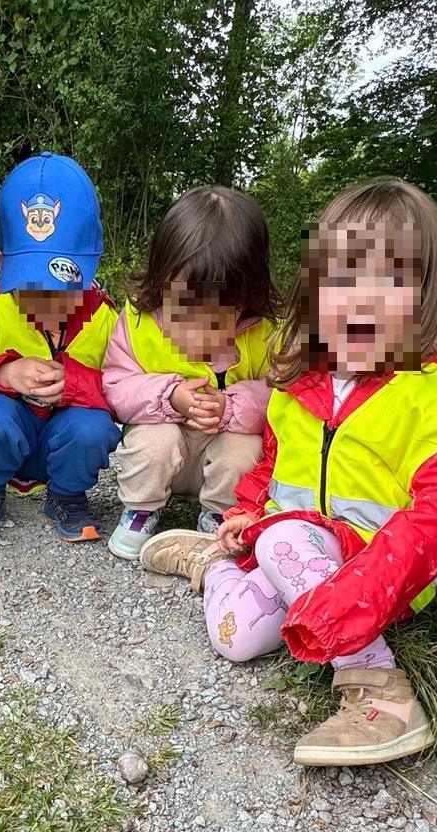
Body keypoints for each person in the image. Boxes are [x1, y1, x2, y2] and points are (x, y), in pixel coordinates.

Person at [139, 178, 437, 767]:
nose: (361, 302)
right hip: (291, 552)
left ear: (424, 297)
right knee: (236, 638)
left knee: (282, 538)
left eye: (390, 283)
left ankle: (378, 690)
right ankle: (214, 561)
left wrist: (350, 592)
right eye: (342, 279)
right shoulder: (299, 386)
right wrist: (248, 511)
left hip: (376, 572)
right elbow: (275, 466)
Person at [0, 152, 120, 543]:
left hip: (65, 439)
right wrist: (1, 373)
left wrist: (73, 383)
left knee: (95, 426)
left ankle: (67, 494)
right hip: (7, 434)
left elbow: (122, 392)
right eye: (33, 287)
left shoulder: (106, 317)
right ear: (1, 264)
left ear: (90, 269)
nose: (50, 302)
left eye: (65, 288)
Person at [102, 186, 281, 561]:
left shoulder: (266, 334)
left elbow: (283, 395)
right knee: (151, 440)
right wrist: (169, 396)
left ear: (247, 300)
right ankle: (141, 509)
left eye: (215, 320)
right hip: (168, 447)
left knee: (245, 448)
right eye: (181, 313)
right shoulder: (138, 324)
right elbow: (116, 386)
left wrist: (232, 408)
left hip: (220, 459)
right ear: (161, 284)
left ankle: (218, 516)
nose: (196, 333)